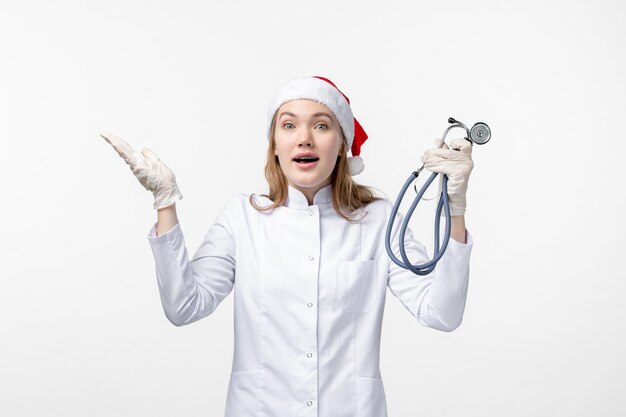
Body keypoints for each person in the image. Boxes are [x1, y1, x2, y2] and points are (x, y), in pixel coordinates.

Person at [100, 75, 474, 417]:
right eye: (289, 125)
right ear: (275, 145)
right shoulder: (241, 218)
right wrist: (165, 201)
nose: (304, 137)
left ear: (342, 144)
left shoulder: (377, 220)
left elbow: (441, 313)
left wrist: (455, 208)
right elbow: (183, 306)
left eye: (322, 125)